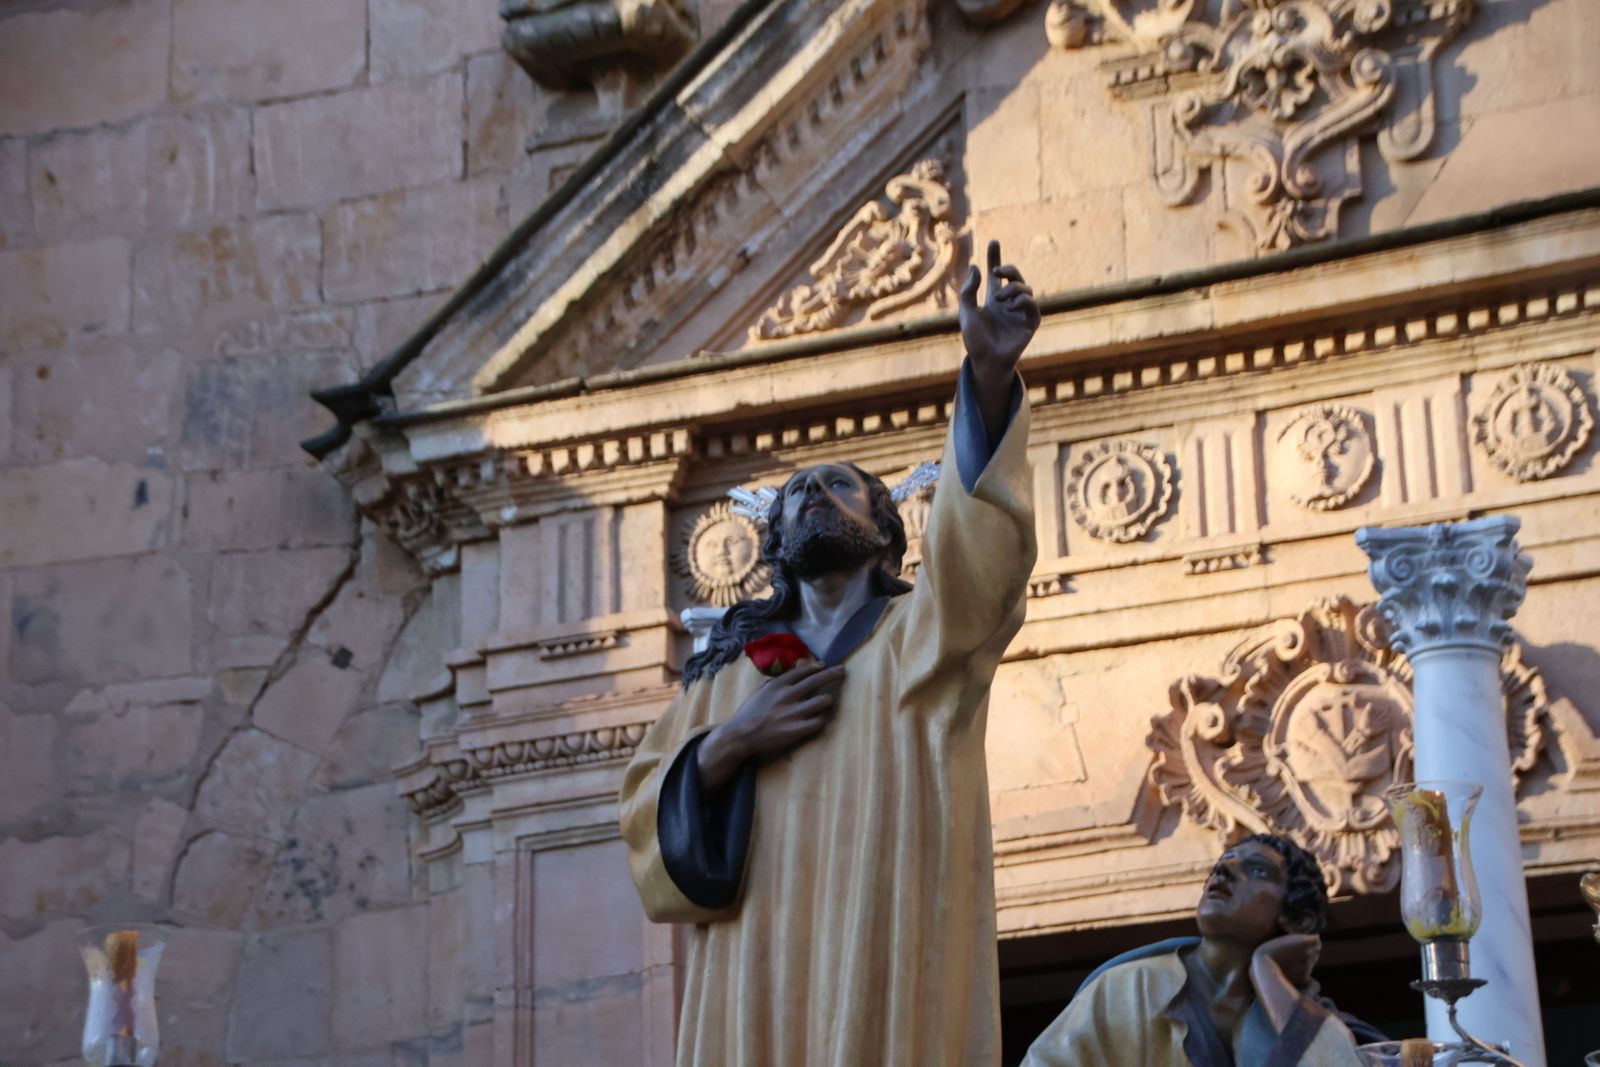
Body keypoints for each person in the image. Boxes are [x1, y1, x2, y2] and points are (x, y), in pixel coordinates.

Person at [618, 240, 1040, 1066]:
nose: (814, 493)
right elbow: (643, 832)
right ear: (773, 544)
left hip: (882, 964)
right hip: (754, 978)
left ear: (887, 530)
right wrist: (731, 744)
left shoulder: (922, 636)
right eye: (798, 492)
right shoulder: (720, 681)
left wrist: (987, 383)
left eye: (839, 485)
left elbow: (981, 563)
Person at [1022, 834, 1382, 1067]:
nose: (1223, 873)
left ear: (1297, 921)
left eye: (1255, 870)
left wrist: (1267, 972)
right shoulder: (1126, 990)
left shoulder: (1313, 1021)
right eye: (1220, 866)